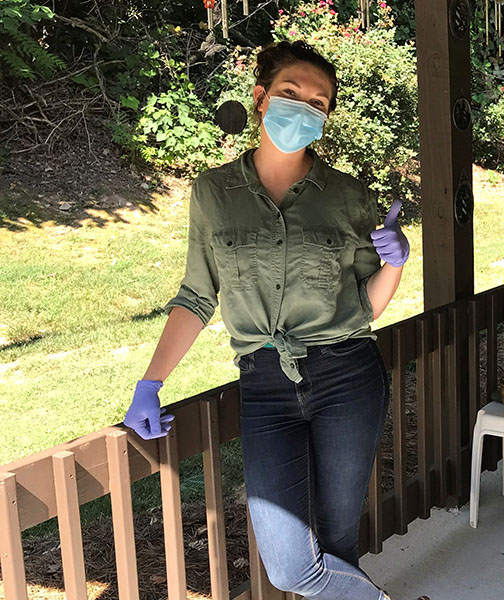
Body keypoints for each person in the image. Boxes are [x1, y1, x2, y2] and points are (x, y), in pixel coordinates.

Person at [121, 41, 408, 600]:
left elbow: (367, 305)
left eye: (318, 102)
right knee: (290, 566)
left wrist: (396, 261)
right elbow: (197, 295)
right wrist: (151, 383)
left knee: (338, 541)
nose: (304, 107)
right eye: (290, 93)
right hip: (266, 385)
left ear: (327, 117)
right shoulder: (213, 193)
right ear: (260, 97)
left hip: (347, 375)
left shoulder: (348, 195)